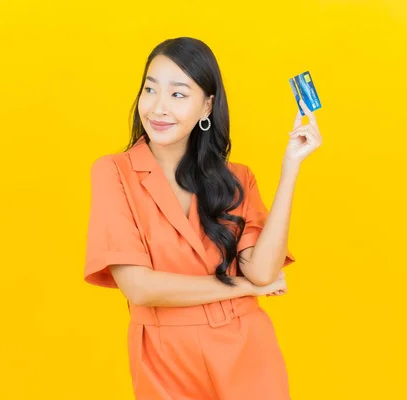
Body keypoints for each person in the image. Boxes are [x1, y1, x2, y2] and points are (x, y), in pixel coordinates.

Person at [83, 37, 322, 400]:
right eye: (150, 90)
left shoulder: (236, 178)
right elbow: (140, 287)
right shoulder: (114, 172)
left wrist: (291, 167)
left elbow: (261, 271)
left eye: (178, 94)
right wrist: (246, 288)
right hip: (163, 360)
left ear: (206, 106)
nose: (159, 107)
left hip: (246, 350)